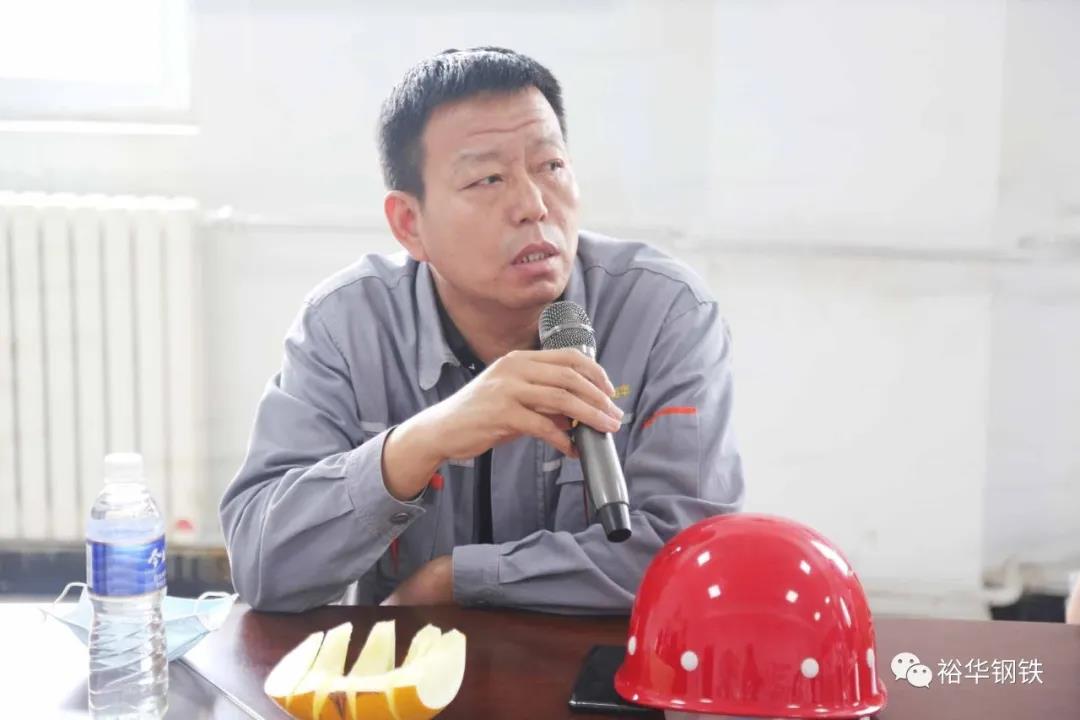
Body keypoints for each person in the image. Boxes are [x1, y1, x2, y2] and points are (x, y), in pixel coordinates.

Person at [219, 47, 745, 614]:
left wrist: (455, 581)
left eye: (551, 166)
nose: (533, 205)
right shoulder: (347, 326)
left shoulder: (663, 312)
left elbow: (692, 556)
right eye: (488, 179)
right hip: (406, 666)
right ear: (409, 224)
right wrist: (420, 443)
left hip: (602, 664)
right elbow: (263, 566)